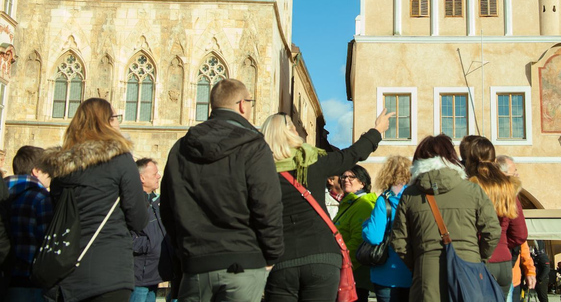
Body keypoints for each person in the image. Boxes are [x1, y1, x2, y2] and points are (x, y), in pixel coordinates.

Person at [160, 79, 283, 302]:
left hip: (196, 262)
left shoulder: (180, 148)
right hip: (243, 260)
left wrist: (183, 249)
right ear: (242, 105)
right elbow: (267, 205)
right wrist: (272, 253)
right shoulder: (253, 146)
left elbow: (168, 207)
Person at [261, 110, 392, 302]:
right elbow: (352, 154)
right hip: (322, 256)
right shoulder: (313, 161)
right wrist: (377, 131)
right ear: (291, 133)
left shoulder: (260, 172)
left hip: (282, 259)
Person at [41, 97, 149, 301]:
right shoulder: (120, 159)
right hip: (109, 273)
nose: (119, 123)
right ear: (107, 122)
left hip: (64, 270)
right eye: (116, 118)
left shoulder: (61, 168)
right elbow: (138, 219)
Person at [391, 134, 501, 302]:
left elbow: (398, 240)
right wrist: (478, 258)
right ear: (451, 157)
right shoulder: (472, 190)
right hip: (469, 269)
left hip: (426, 273)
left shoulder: (410, 194)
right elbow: (492, 231)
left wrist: (420, 262)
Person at [464, 138, 525, 298]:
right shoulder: (507, 187)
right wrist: (502, 243)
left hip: (479, 259)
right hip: (504, 263)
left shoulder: (472, 185)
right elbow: (520, 234)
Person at [3, 146, 53, 301]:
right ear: (36, 171)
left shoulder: (2, 190)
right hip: (29, 281)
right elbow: (47, 240)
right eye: (48, 170)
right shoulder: (41, 198)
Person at [362, 155, 413, 302]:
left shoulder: (384, 200)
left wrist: (365, 226)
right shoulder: (416, 199)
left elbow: (374, 236)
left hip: (386, 272)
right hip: (412, 271)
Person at [333, 164, 378, 301]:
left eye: (352, 177)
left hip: (353, 274)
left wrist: (341, 265)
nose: (346, 179)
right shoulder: (349, 203)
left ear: (362, 183)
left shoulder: (362, 205)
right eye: (344, 176)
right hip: (347, 270)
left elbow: (358, 240)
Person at [130, 158, 168, 302]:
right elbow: (126, 236)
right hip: (139, 274)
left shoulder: (157, 201)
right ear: (142, 178)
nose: (159, 176)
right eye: (155, 174)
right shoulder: (131, 203)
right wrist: (149, 245)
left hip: (155, 272)